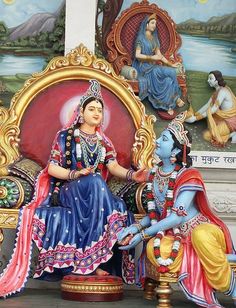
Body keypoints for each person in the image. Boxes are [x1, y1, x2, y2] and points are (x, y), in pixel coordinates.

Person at [0, 79, 147, 297]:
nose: (97, 113)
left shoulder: (103, 141)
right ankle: (94, 260)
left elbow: (113, 166)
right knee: (97, 184)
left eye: (100, 110)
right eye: (92, 109)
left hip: (95, 192)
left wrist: (133, 175)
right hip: (69, 189)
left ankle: (93, 259)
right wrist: (76, 174)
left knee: (109, 196)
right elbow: (52, 168)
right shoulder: (66, 137)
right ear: (81, 112)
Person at [118, 112, 236, 307]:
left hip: (202, 231)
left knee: (200, 237)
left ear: (174, 151)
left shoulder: (189, 175)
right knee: (154, 249)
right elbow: (155, 215)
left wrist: (143, 234)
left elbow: (176, 218)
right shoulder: (155, 176)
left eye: (163, 139)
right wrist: (135, 228)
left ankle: (231, 286)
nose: (156, 141)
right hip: (176, 237)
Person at [132, 13, 185, 116]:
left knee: (171, 73)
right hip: (143, 68)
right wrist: (151, 58)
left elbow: (159, 56)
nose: (154, 25)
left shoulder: (154, 39)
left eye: (155, 24)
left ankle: (175, 98)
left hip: (153, 66)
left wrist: (170, 64)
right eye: (152, 23)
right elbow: (137, 55)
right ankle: (169, 105)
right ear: (146, 24)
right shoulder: (140, 38)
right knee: (161, 76)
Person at [185, 70, 236, 147]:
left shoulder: (223, 91)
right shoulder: (216, 92)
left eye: (210, 78)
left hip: (230, 122)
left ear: (217, 80)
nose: (208, 80)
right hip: (222, 119)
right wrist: (195, 115)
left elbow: (213, 109)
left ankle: (232, 134)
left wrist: (195, 118)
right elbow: (207, 105)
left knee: (207, 135)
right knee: (208, 113)